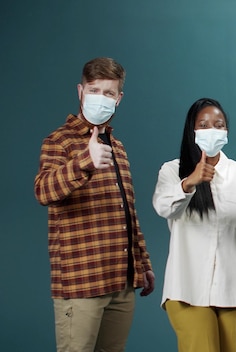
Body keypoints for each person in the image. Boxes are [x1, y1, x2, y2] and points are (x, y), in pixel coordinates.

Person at [34, 57, 155, 352]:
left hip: (121, 281)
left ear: (119, 99)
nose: (101, 98)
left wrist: (144, 263)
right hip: (81, 283)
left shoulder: (119, 148)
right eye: (94, 90)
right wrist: (84, 162)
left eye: (109, 93)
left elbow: (128, 212)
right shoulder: (58, 142)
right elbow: (43, 191)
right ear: (80, 91)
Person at [152, 98, 236, 352]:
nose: (212, 130)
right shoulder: (173, 171)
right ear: (192, 131)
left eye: (219, 125)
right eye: (203, 125)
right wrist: (190, 182)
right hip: (186, 290)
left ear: (226, 132)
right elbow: (163, 207)